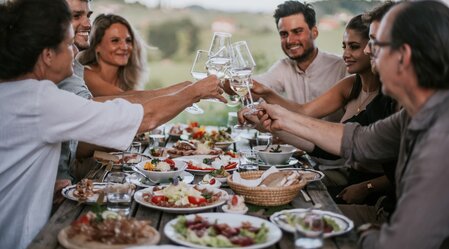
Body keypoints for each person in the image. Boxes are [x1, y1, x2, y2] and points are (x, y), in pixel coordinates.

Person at [0, 0, 224, 248]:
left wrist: (43, 184)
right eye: (67, 45)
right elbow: (144, 117)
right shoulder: (40, 100)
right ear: (47, 55)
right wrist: (195, 92)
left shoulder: (13, 92)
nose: (75, 53)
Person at [257, 1, 449, 248]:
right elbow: (358, 141)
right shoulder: (414, 114)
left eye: (376, 44)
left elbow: (400, 243)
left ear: (404, 56)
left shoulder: (440, 139)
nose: (368, 51)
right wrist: (281, 119)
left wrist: (367, 232)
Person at [252, 0, 347, 122]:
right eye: (284, 34)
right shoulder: (283, 67)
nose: (290, 40)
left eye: (297, 32)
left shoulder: (341, 67)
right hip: (293, 141)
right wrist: (234, 83)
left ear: (314, 32)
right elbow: (260, 84)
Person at [78, 13, 147, 96]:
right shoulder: (85, 74)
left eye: (128, 40)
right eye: (115, 40)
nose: (124, 47)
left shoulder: (126, 80)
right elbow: (125, 98)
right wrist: (166, 92)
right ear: (97, 46)